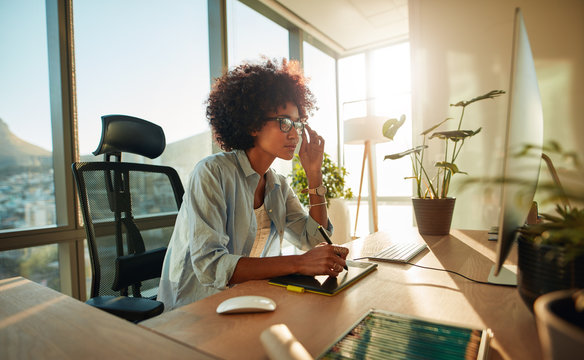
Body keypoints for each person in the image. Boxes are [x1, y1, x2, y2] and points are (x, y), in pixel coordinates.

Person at [157, 58, 349, 311]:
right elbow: (210, 265)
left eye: (298, 123)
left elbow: (313, 239)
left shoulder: (278, 185)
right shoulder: (212, 172)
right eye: (285, 122)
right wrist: (299, 263)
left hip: (248, 299)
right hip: (193, 309)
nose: (294, 134)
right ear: (252, 124)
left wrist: (314, 175)